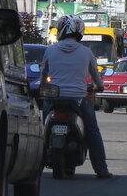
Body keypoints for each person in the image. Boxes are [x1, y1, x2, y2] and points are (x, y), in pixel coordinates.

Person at [41, 15, 113, 180]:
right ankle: (101, 169)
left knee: (41, 129)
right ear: (80, 31)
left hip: (54, 100)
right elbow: (97, 79)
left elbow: (43, 76)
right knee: (92, 131)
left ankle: (38, 161)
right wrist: (98, 87)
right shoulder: (86, 52)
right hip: (79, 100)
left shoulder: (50, 50)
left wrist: (43, 86)